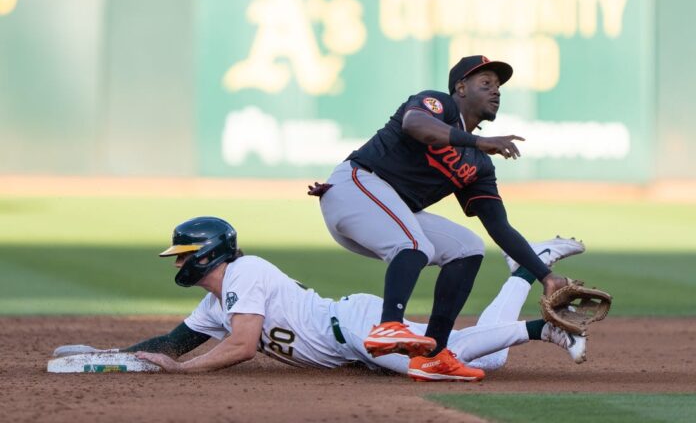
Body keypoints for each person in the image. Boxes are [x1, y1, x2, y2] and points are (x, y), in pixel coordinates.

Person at [57, 217, 586, 381]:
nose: (177, 263)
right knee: (488, 359)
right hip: (351, 343)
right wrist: (114, 355)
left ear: (208, 254)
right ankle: (525, 268)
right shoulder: (217, 303)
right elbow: (173, 344)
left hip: (353, 326)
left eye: (184, 255)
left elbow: (242, 346)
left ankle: (541, 329)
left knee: (430, 365)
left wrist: (183, 372)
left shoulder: (245, 272)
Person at [308, 54, 573, 380]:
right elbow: (414, 124)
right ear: (461, 88)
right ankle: (389, 326)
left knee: (468, 247)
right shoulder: (438, 104)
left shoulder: (479, 164)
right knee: (415, 244)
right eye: (486, 83)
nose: (496, 91)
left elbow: (498, 226)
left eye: (498, 86)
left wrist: (545, 276)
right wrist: (480, 141)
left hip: (381, 213)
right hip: (354, 187)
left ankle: (433, 355)